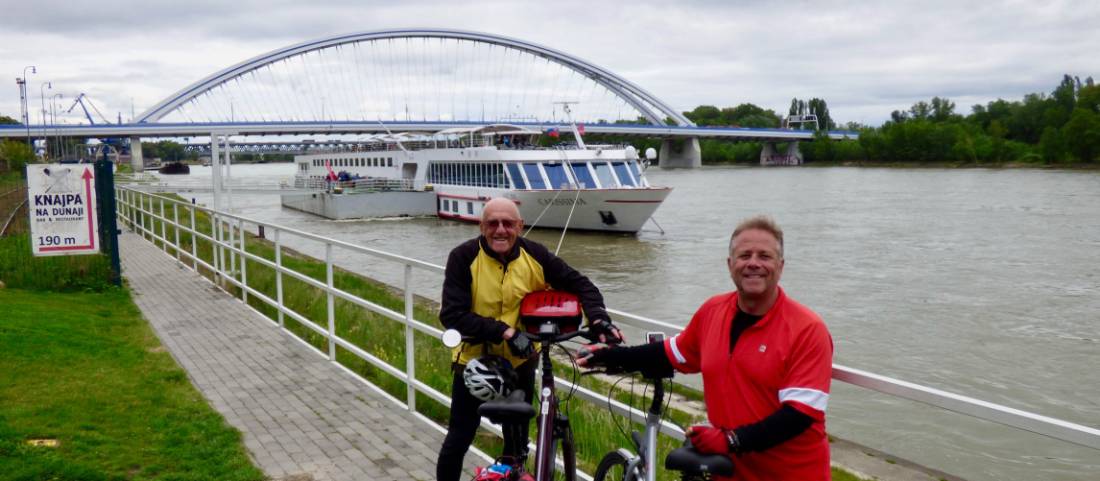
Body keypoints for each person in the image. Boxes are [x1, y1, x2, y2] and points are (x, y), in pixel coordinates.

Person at [578, 215, 833, 481]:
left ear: (780, 266)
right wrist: (608, 356)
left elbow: (798, 416)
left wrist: (731, 440)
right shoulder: (713, 311)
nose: (754, 263)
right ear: (730, 264)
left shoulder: (807, 329)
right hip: (729, 472)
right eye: (744, 255)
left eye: (764, 256)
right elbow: (670, 353)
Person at [437, 197, 622, 481]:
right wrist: (505, 331)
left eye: (508, 223)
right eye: (493, 224)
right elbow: (452, 315)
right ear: (481, 226)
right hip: (474, 362)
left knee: (517, 445)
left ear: (520, 226)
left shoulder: (535, 255)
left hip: (520, 362)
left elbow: (581, 284)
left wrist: (597, 318)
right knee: (459, 439)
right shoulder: (463, 257)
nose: (501, 230)